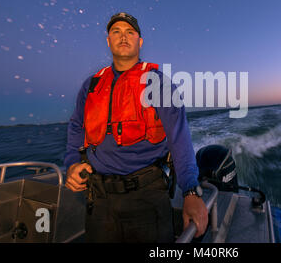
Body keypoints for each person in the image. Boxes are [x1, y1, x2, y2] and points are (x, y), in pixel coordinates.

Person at [64, 12, 208, 243]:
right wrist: (71, 163)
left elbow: (179, 139)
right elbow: (76, 127)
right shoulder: (91, 86)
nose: (123, 37)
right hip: (99, 200)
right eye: (116, 32)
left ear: (139, 42)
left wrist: (190, 191)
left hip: (147, 198)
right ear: (108, 40)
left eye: (130, 32)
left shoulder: (159, 84)